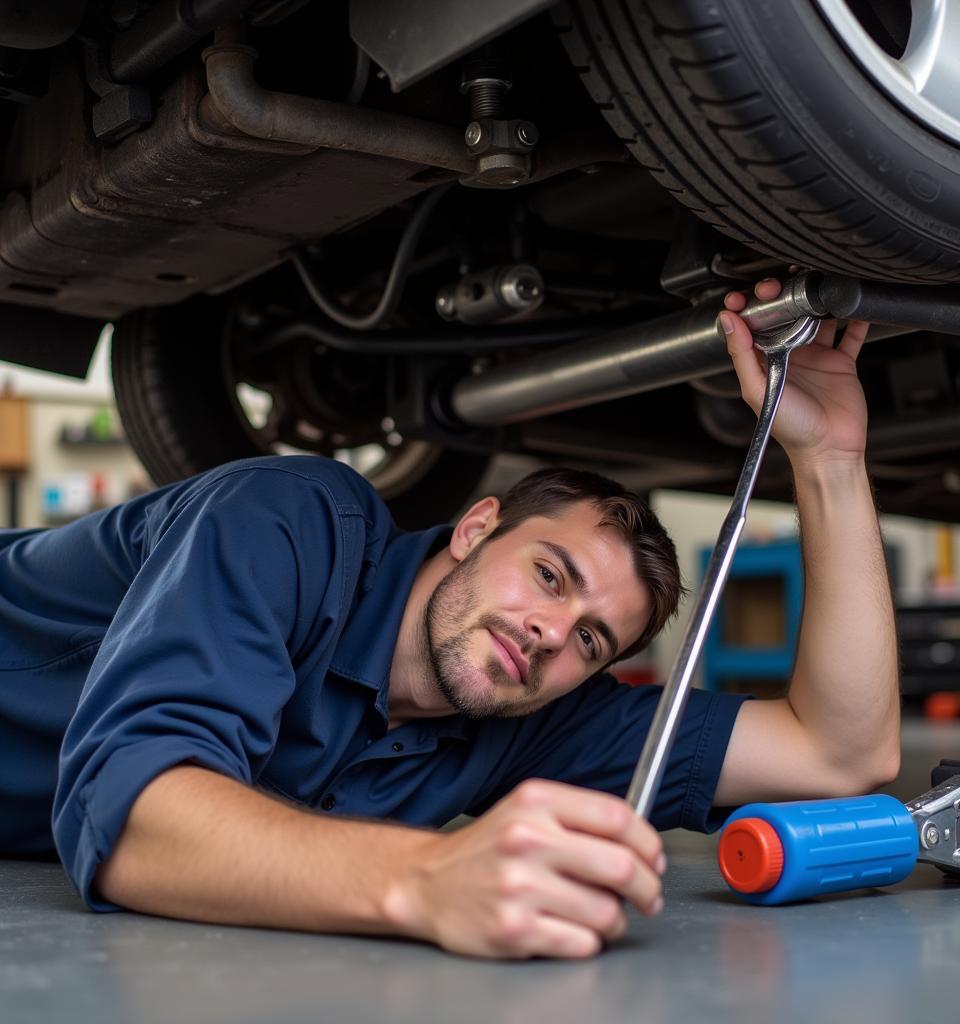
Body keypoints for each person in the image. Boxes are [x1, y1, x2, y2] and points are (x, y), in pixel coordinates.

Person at [0, 280, 898, 959]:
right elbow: (126, 820)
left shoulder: (531, 714)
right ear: (475, 529)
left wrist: (830, 459)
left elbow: (841, 752)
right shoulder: (287, 520)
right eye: (550, 573)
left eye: (591, 638)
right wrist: (429, 880)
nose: (553, 631)